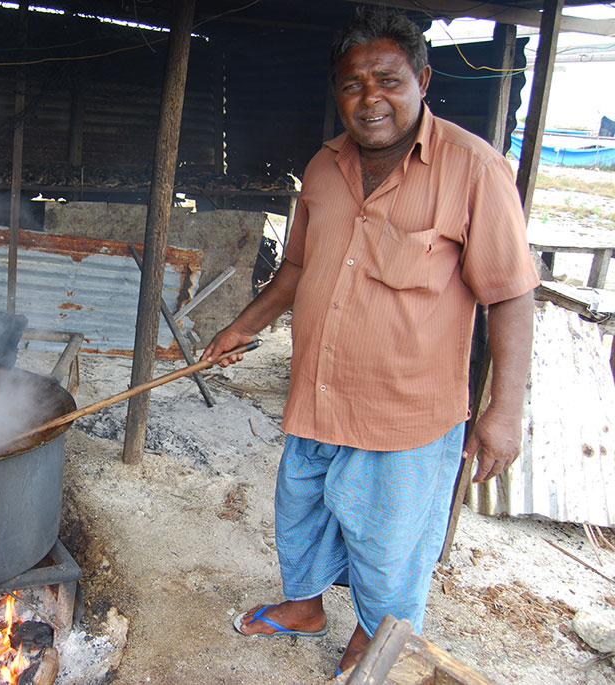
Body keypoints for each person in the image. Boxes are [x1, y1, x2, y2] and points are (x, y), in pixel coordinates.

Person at [202, 7, 539, 676]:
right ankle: (304, 606)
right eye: (353, 84)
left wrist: (504, 410)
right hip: (318, 394)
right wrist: (244, 324)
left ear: (423, 80)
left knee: (389, 543)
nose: (370, 98)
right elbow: (298, 266)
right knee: (300, 509)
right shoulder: (325, 169)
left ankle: (374, 637)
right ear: (338, 93)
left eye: (388, 79)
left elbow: (509, 292)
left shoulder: (474, 168)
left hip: (405, 411)